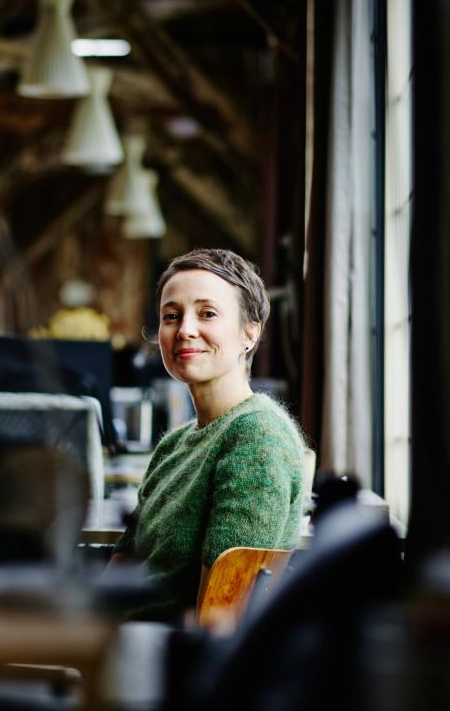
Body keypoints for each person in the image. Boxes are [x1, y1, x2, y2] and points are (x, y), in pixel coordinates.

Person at [110, 248, 308, 622]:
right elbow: (123, 566)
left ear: (250, 332)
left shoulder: (256, 436)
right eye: (171, 316)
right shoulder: (173, 445)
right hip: (117, 644)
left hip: (168, 659)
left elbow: (221, 615)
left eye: (207, 314)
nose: (184, 329)